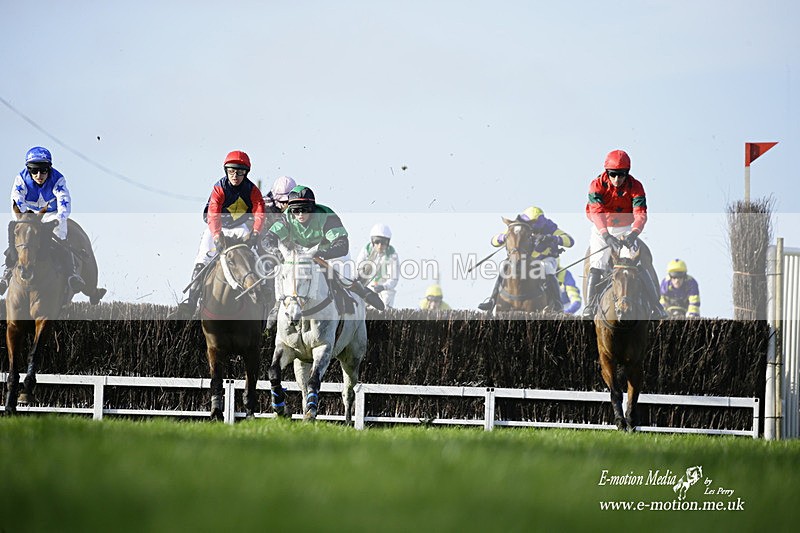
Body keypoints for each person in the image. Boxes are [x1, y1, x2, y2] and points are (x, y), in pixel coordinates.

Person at [172, 150, 266, 319]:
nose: (235, 175)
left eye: (240, 172)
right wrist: (216, 236)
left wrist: (256, 233)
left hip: (239, 227)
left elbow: (260, 210)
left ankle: (262, 292)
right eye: (231, 171)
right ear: (226, 171)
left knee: (254, 255)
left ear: (246, 173)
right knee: (203, 258)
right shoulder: (219, 188)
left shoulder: (252, 190)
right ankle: (191, 302)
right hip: (217, 226)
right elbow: (213, 214)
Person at [262, 185, 385, 311]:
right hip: (300, 255)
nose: (300, 214)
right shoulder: (286, 218)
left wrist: (322, 254)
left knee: (343, 279)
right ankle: (278, 306)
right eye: (296, 211)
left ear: (312, 208)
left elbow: (342, 246)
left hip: (329, 253)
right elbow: (267, 239)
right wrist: (276, 252)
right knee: (281, 270)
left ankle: (359, 290)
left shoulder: (326, 216)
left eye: (305, 210)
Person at [583, 149, 668, 319]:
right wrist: (606, 236)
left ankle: (656, 306)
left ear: (627, 173)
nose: (617, 179)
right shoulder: (596, 185)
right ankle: (590, 307)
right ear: (607, 172)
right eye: (613, 174)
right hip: (601, 230)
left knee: (635, 263)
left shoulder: (636, 187)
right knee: (597, 264)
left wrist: (633, 234)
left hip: (626, 230)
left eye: (621, 175)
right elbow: (597, 212)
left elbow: (640, 213)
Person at [0, 146, 84, 295]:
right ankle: (6, 275)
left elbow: (64, 201)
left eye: (43, 170)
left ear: (49, 169)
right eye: (34, 170)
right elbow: (16, 201)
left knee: (60, 236)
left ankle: (72, 275)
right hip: (29, 215)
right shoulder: (21, 179)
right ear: (28, 169)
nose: (39, 175)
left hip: (52, 214)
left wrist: (59, 219)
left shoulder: (58, 179)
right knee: (20, 237)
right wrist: (24, 219)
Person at [477, 206, 573, 312]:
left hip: (544, 259)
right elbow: (493, 241)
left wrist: (554, 238)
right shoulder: (520, 226)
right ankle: (492, 300)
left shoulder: (550, 227)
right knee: (504, 265)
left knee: (547, 268)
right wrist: (503, 238)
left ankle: (557, 302)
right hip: (523, 258)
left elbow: (570, 241)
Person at [356, 223, 399, 309]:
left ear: (388, 243)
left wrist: (383, 286)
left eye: (383, 243)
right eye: (377, 242)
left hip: (384, 289)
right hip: (367, 287)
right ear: (372, 241)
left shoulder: (392, 254)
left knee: (384, 306)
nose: (380, 246)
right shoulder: (366, 250)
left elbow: (394, 278)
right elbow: (358, 267)